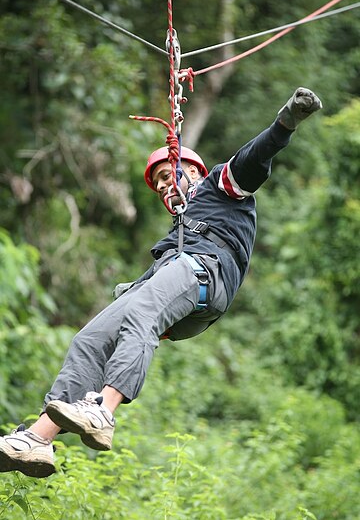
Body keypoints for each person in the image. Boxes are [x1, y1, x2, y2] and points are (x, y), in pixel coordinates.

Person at [0, 87, 322, 478]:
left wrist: (285, 122)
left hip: (206, 272)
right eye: (161, 181)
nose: (168, 185)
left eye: (173, 174)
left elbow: (253, 160)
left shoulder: (219, 187)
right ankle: (37, 439)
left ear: (196, 172)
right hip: (180, 281)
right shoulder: (177, 233)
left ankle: (103, 410)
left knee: (141, 309)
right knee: (90, 338)